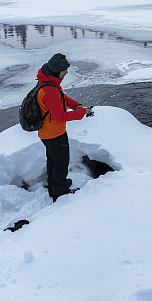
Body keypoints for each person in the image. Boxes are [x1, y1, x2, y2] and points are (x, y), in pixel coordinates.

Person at [36, 53, 93, 202]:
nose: (67, 72)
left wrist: (76, 105)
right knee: (60, 163)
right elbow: (60, 116)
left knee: (53, 161)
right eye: (64, 70)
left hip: (47, 132)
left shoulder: (48, 82)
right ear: (56, 70)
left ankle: (54, 186)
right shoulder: (50, 89)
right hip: (54, 134)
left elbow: (60, 98)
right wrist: (82, 112)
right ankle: (60, 192)